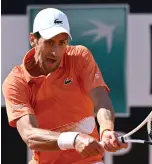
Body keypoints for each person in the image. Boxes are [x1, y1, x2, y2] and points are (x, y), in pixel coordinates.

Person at [2, 8, 128, 164]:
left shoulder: (80, 57)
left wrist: (107, 129)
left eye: (62, 43)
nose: (55, 52)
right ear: (33, 39)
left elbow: (101, 101)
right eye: (49, 42)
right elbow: (29, 135)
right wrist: (74, 139)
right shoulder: (16, 81)